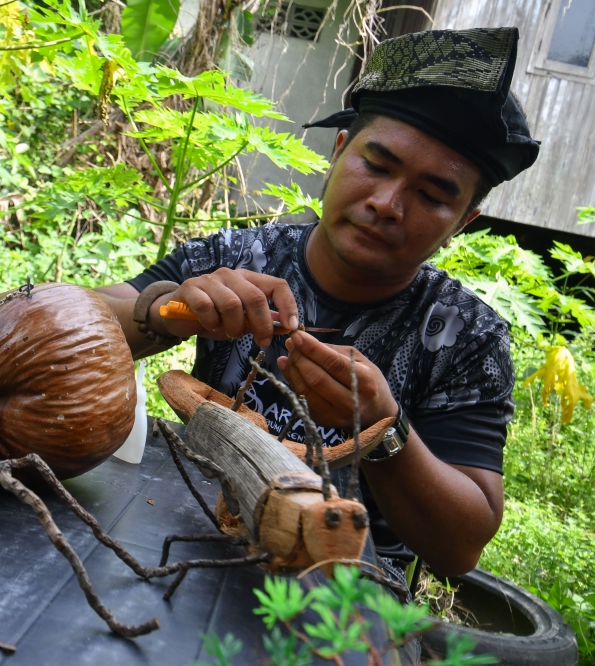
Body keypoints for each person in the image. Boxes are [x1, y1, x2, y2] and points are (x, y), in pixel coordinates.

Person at [97, 26, 540, 621]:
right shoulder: (237, 257)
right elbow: (75, 319)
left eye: (434, 195)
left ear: (464, 219)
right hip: (180, 527)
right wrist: (167, 308)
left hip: (345, 590)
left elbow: (460, 546)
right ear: (337, 152)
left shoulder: (464, 336)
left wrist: (384, 429)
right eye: (377, 164)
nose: (387, 203)